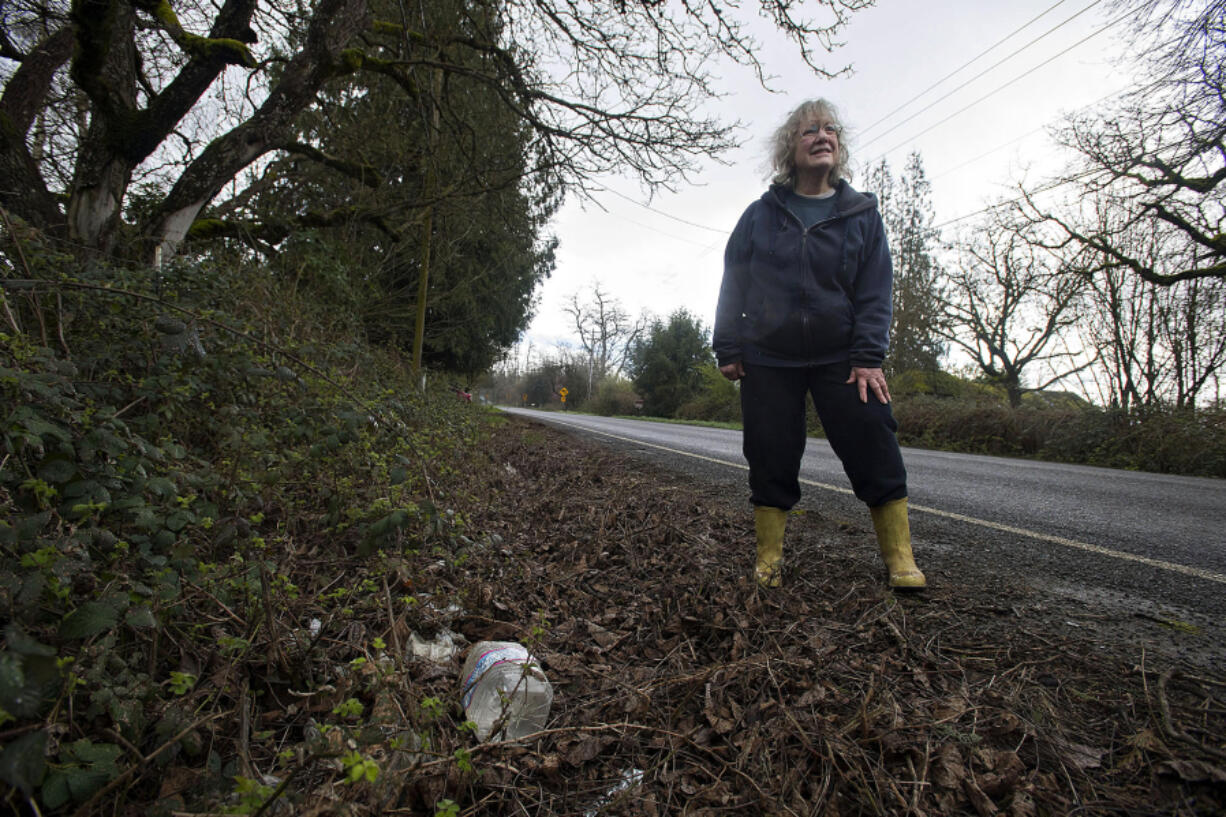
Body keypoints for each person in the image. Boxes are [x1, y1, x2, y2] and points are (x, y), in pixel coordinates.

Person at [712, 98, 926, 590]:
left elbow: (876, 290)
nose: (821, 136)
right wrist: (729, 344)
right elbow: (734, 281)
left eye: (830, 129)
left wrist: (869, 355)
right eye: (809, 131)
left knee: (873, 436)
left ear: (839, 146)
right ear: (791, 147)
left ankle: (899, 556)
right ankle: (769, 559)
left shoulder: (861, 215)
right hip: (768, 356)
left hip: (843, 357)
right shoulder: (760, 216)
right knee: (769, 451)